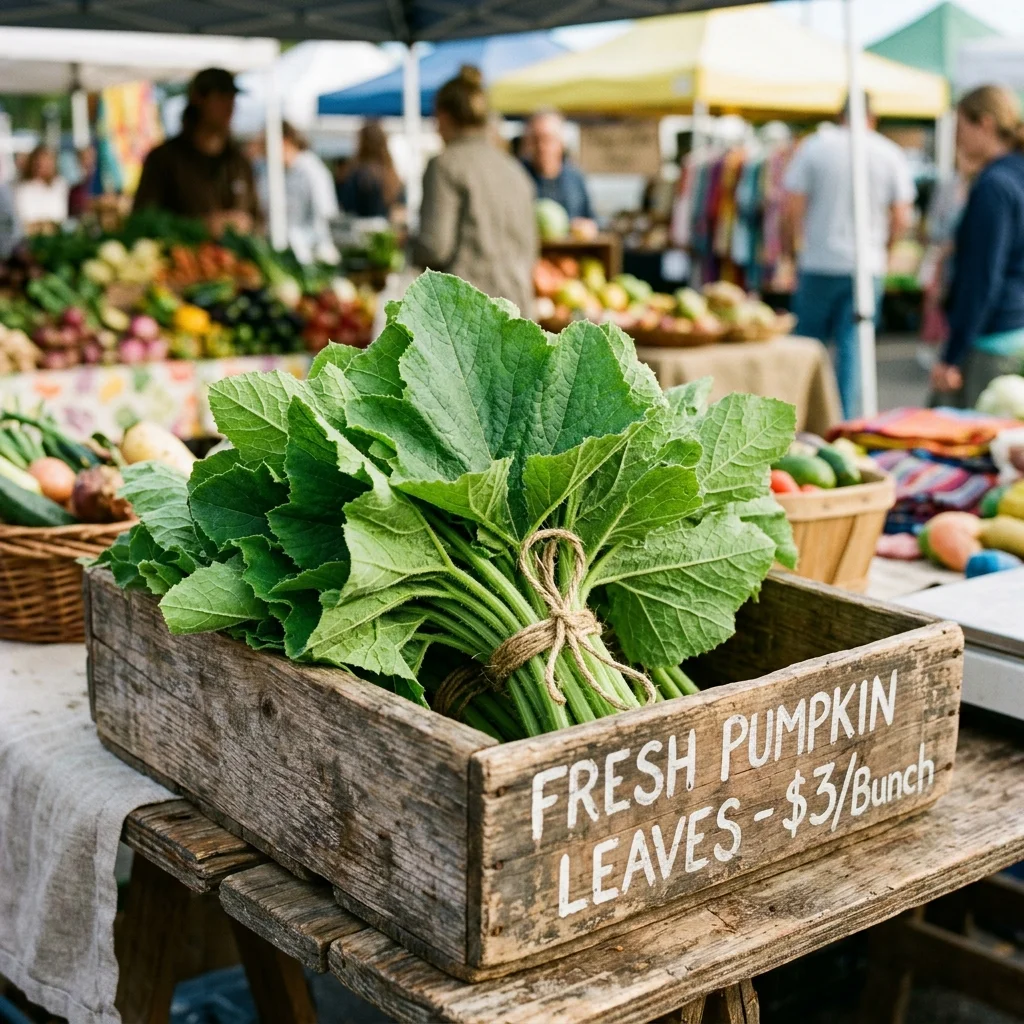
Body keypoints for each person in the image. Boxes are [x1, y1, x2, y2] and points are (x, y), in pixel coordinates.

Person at [784, 97, 915, 418]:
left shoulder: (814, 147)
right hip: (865, 265)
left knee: (805, 348)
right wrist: (886, 250)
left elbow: (792, 209)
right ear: (873, 116)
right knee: (853, 352)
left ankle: (794, 418)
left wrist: (793, 251)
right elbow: (902, 215)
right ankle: (839, 422)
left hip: (819, 262)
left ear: (839, 114)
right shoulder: (888, 153)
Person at [412, 65, 537, 314]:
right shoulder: (514, 169)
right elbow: (531, 249)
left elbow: (434, 247)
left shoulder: (445, 165)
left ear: (444, 117)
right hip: (518, 310)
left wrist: (408, 243)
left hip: (469, 316)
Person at [930, 86, 1024, 408]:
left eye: (960, 128)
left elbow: (982, 277)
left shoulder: (994, 186)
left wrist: (951, 356)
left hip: (991, 341)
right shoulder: (1014, 175)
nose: (957, 139)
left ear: (984, 124)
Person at [133, 68, 259, 235]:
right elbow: (142, 220)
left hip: (234, 259)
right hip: (181, 257)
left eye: (232, 97)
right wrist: (199, 227)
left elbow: (258, 218)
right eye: (220, 97)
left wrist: (246, 224)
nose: (229, 106)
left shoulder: (239, 162)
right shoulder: (165, 159)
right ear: (199, 99)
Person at [521, 110, 595, 230]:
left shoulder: (575, 179)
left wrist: (586, 227)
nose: (541, 147)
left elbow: (591, 220)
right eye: (535, 140)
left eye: (547, 139)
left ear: (560, 142)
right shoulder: (518, 177)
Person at [337, 121, 403, 219]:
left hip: (360, 230)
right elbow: (400, 212)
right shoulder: (392, 176)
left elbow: (346, 209)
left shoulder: (355, 174)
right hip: (386, 231)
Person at [14, 145, 68, 232]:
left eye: (47, 162)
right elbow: (25, 218)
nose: (44, 166)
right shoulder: (24, 188)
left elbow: (61, 216)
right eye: (40, 163)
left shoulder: (60, 184)